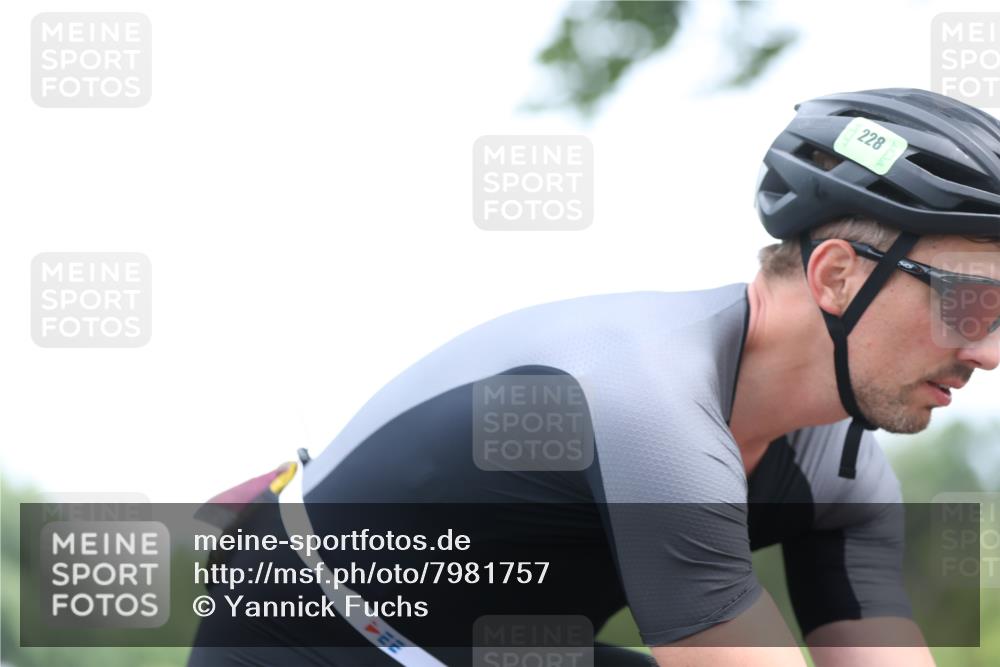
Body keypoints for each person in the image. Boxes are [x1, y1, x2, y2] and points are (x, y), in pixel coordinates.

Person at [188, 87, 1000, 667]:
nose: (989, 350)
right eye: (972, 304)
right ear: (836, 276)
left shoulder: (845, 475)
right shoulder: (651, 402)